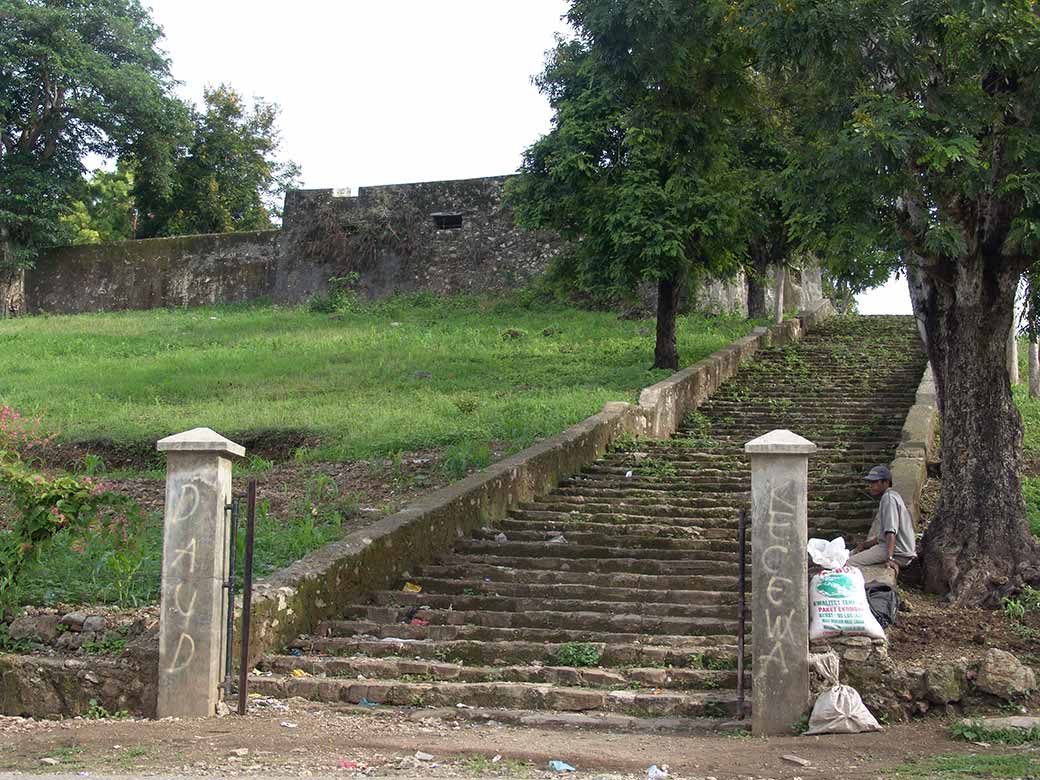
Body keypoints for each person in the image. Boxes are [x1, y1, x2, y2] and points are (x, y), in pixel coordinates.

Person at [848, 465, 916, 573]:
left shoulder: (888, 499)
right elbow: (883, 534)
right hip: (894, 549)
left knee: (849, 562)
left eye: (875, 482)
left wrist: (890, 558)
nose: (871, 486)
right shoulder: (892, 496)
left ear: (886, 482)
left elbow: (891, 532)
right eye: (870, 483)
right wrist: (865, 545)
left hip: (898, 552)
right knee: (852, 553)